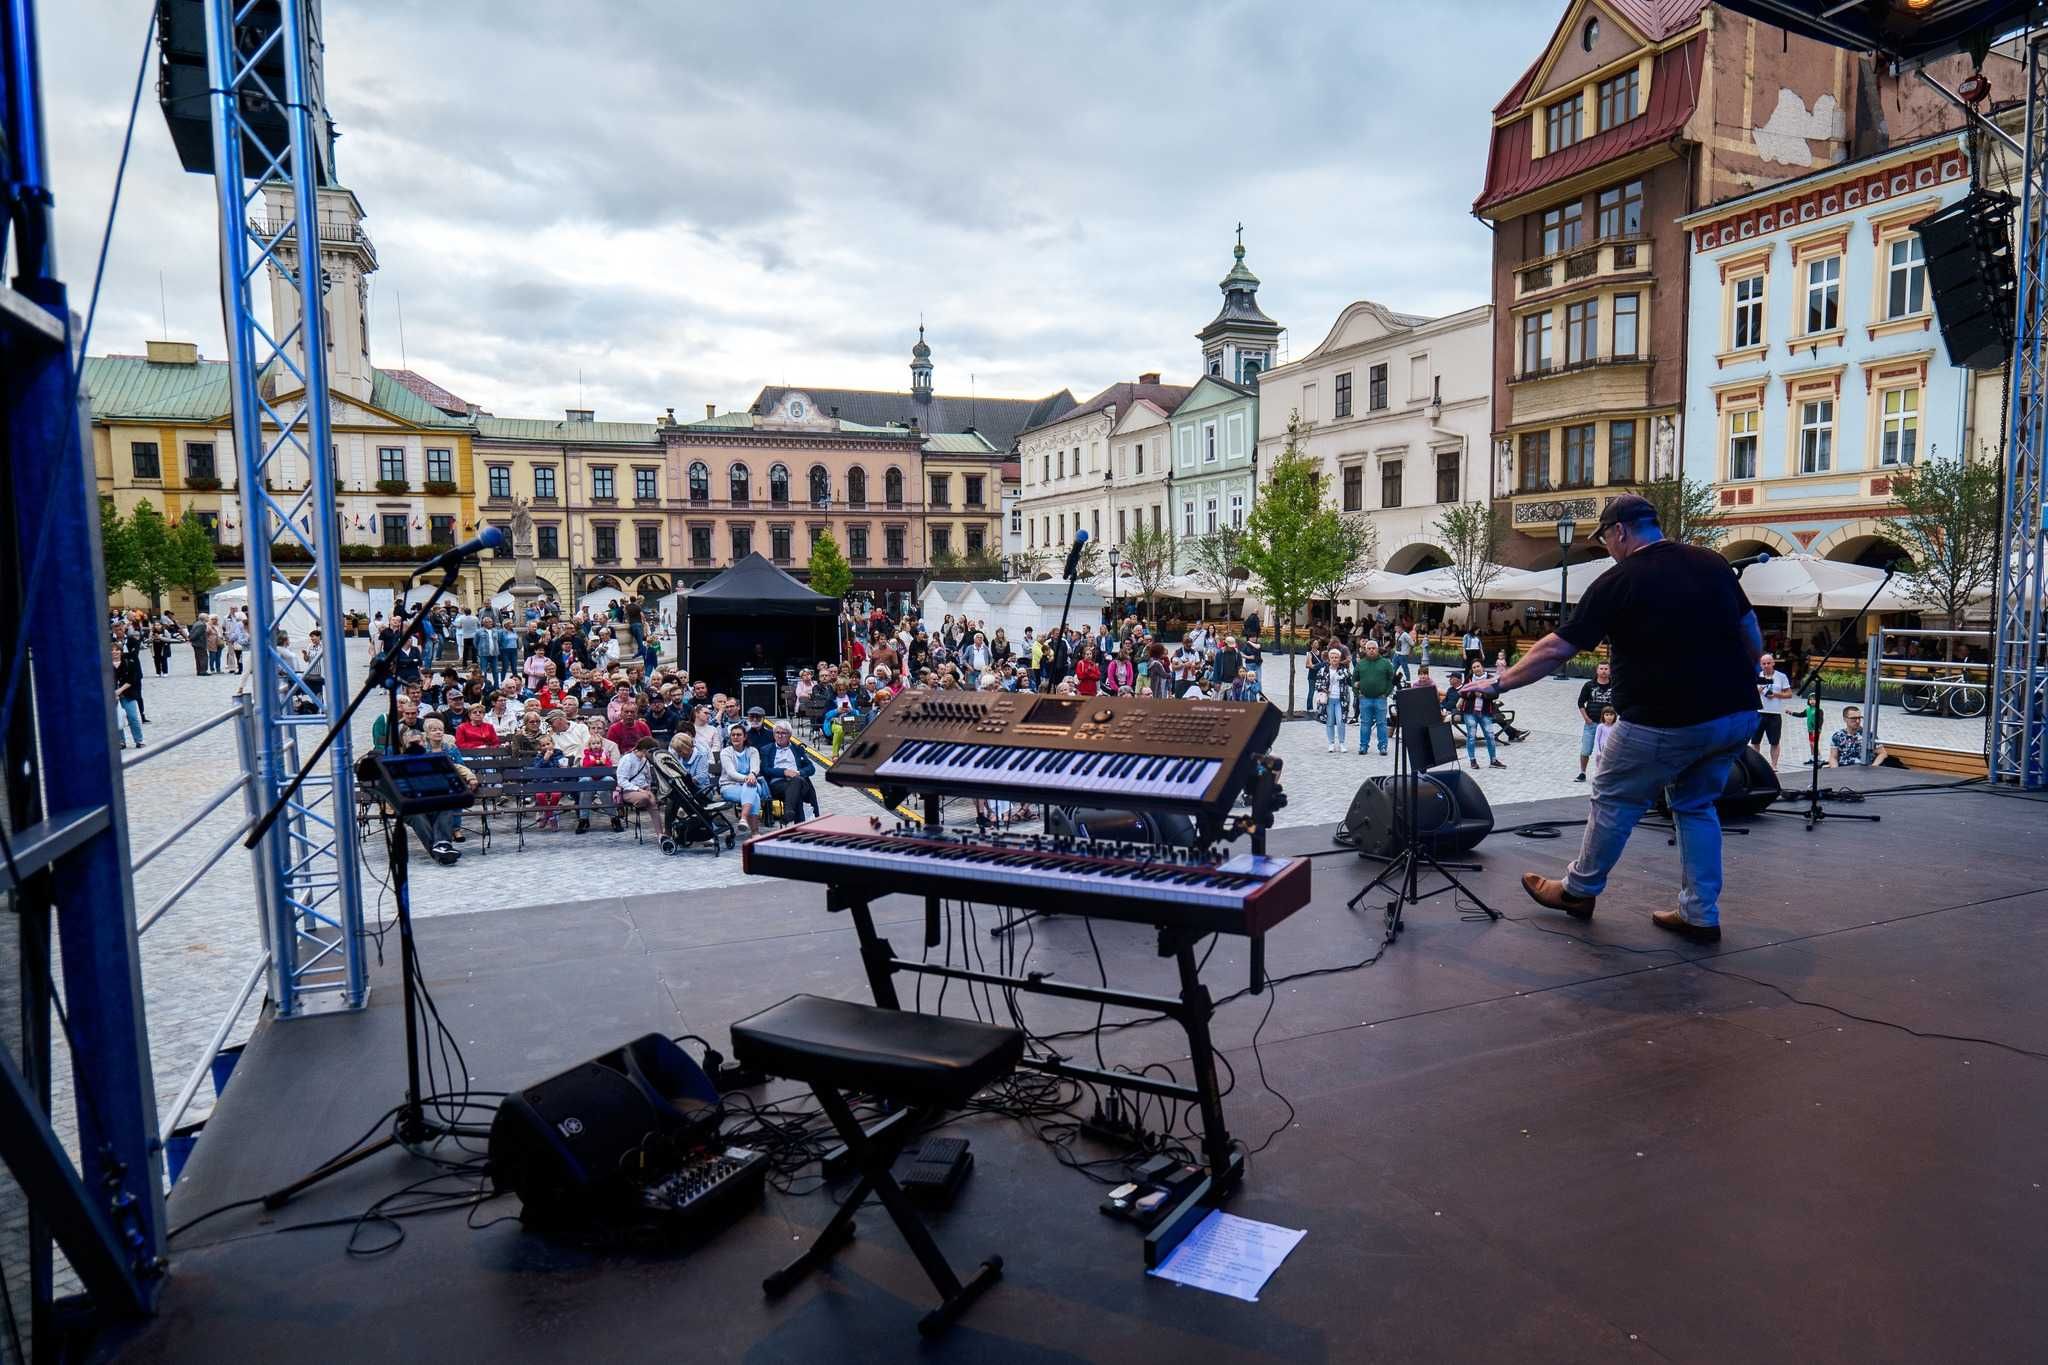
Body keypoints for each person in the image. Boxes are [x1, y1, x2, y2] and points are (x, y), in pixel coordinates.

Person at [1460, 493, 1762, 944]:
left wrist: (1499, 684)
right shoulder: (1712, 563)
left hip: (1662, 720)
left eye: (1605, 540)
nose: (1606, 549)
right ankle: (1700, 912)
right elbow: (1750, 632)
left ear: (1619, 530)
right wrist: (1742, 679)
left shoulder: (1620, 581)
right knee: (1697, 806)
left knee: (1613, 800)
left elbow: (1557, 649)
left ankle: (1578, 891)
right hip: (1734, 715)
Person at [764, 721, 821, 824]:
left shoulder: (797, 749)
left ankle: (789, 813)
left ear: (789, 735)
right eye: (777, 733)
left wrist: (799, 773)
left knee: (797, 782)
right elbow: (765, 769)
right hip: (778, 783)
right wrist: (784, 772)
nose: (780, 736)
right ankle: (800, 826)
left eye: (783, 733)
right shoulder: (767, 750)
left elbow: (811, 768)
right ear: (774, 734)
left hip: (798, 779)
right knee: (797, 793)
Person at [1351, 639, 1396, 756]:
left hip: (1380, 699)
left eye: (1373, 648)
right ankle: (1363, 746)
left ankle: (1383, 746)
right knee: (1365, 724)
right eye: (1369, 648)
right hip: (1365, 699)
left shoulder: (1385, 663)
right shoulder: (1361, 663)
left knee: (1381, 724)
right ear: (1365, 650)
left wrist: (1386, 693)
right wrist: (1357, 693)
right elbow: (1354, 679)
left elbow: (1392, 680)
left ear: (1378, 649)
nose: (1371, 650)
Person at [718, 721, 765, 834]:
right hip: (729, 786)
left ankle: (743, 818)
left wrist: (752, 775)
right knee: (755, 796)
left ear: (745, 737)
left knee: (750, 787)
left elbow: (755, 769)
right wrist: (747, 778)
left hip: (751, 783)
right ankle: (755, 833)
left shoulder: (753, 751)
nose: (735, 737)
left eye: (739, 735)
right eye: (733, 735)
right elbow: (731, 773)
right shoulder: (725, 752)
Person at [1575, 661, 1616, 783]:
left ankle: (1604, 774)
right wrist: (1586, 718)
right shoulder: (1589, 685)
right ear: (1597, 671)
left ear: (1610, 671)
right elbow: (1580, 702)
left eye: (1606, 669)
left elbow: (1620, 701)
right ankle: (1582, 772)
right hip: (1591, 723)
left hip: (1608, 725)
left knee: (1607, 751)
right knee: (1586, 749)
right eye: (1601, 668)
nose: (1604, 671)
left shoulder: (1614, 686)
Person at [1753, 651, 1794, 767]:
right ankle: (1755, 765)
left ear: (1773, 663)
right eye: (1763, 663)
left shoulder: (1781, 676)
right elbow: (1749, 695)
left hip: (1774, 713)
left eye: (1768, 663)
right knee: (1755, 741)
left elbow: (1790, 694)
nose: (1766, 666)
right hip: (1758, 713)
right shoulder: (1757, 676)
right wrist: (1759, 690)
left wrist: (1776, 695)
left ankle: (1774, 766)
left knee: (1774, 742)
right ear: (1760, 665)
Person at [1829, 706, 1896, 767]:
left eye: (1859, 718)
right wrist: (1836, 771)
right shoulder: (1837, 736)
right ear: (1845, 719)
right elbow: (1833, 757)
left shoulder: (1869, 735)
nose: (1857, 721)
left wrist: (1874, 766)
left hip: (1864, 770)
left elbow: (1883, 753)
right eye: (1854, 718)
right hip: (1844, 770)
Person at [1314, 646, 1351, 752]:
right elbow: (1317, 684)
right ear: (1329, 659)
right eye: (1332, 657)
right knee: (1329, 721)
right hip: (1328, 700)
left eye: (1336, 657)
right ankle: (1331, 743)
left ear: (1339, 659)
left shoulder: (1344, 670)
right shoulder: (1323, 670)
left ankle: (1342, 743)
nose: (1334, 659)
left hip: (1340, 700)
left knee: (1340, 721)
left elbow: (1350, 682)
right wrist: (1323, 688)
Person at [1590, 705, 1619, 776]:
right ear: (1603, 716)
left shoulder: (1616, 726)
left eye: (1611, 715)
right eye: (1607, 715)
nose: (1609, 717)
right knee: (1600, 765)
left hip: (1612, 750)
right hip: (1602, 750)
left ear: (1615, 716)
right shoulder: (1601, 727)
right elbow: (1597, 739)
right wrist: (1598, 751)